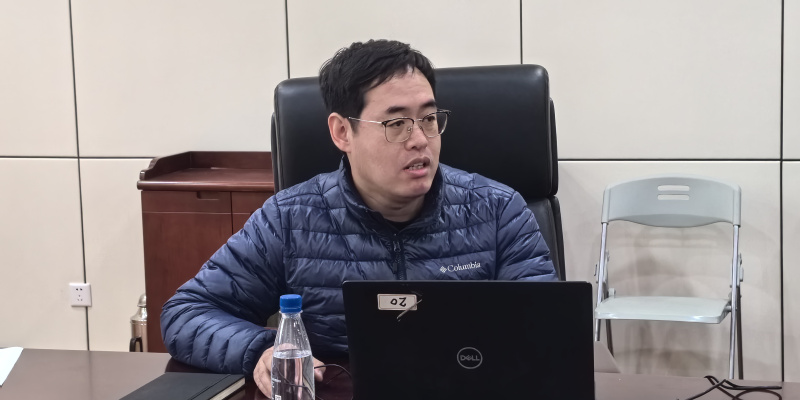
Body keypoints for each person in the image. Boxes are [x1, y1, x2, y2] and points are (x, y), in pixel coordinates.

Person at [161, 39, 557, 396]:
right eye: (396, 124)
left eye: (429, 119)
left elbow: (546, 330)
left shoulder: (496, 210)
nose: (420, 139)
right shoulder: (290, 220)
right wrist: (263, 349)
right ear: (342, 133)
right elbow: (186, 314)